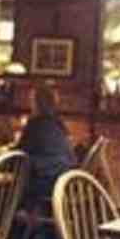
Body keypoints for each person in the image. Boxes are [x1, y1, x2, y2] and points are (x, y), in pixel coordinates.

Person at [15, 84, 76, 213]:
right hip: (64, 181)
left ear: (36, 104)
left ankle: (11, 221)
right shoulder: (59, 124)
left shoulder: (34, 125)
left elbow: (17, 154)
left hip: (45, 183)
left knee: (6, 187)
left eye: (32, 101)